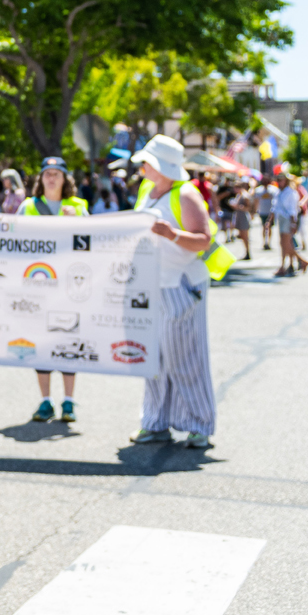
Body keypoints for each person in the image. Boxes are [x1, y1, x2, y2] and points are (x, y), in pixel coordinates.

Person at [127, 135, 215, 449]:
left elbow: (202, 240)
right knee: (153, 358)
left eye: (146, 162)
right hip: (152, 285)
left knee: (185, 357)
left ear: (160, 165)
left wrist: (172, 234)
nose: (141, 167)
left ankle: (199, 424)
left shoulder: (186, 194)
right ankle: (155, 422)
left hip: (181, 284)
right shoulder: (147, 191)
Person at [17, 157, 89, 423]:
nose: (51, 178)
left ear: (65, 179)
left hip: (69, 287)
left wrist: (78, 223)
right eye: (47, 173)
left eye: (57, 173)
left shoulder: (78, 207)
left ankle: (68, 402)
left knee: (68, 342)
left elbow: (91, 242)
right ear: (41, 178)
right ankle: (45, 401)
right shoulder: (28, 207)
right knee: (42, 343)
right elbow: (14, 241)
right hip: (38, 285)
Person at [273, 172, 308, 277]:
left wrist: (293, 224)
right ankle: (285, 265)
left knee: (287, 244)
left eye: (281, 179)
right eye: (278, 180)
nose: (279, 182)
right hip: (281, 218)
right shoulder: (279, 192)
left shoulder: (291, 192)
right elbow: (276, 207)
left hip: (288, 219)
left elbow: (293, 210)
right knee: (283, 244)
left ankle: (301, 261)